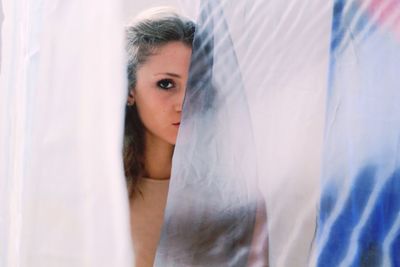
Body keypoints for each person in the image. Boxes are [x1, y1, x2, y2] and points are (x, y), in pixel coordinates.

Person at [124, 7, 268, 267]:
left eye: (195, 83)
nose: (184, 102)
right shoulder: (102, 191)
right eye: (166, 84)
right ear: (130, 90)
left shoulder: (237, 200)